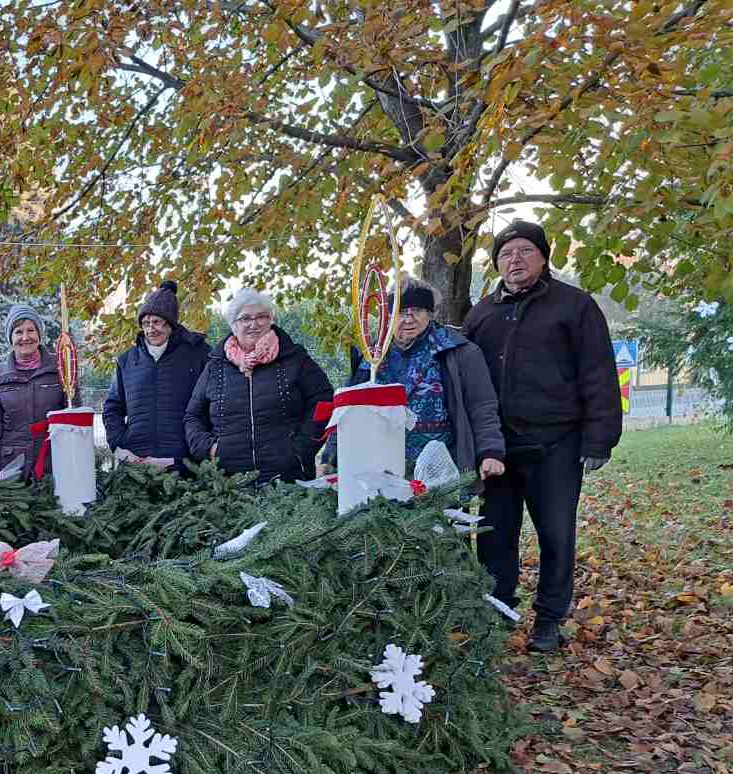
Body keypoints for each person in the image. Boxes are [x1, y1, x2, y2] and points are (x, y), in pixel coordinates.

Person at [464, 219, 623, 652]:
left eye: (524, 251)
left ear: (543, 256)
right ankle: (497, 611)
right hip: (498, 448)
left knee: (556, 533)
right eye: (505, 254)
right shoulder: (482, 314)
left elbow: (598, 374)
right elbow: (464, 380)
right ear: (497, 263)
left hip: (557, 444)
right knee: (495, 536)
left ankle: (549, 619)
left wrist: (599, 439)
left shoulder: (573, 307)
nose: (514, 260)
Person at [339, 280, 507, 479]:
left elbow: (482, 405)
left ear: (430, 313)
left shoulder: (458, 351)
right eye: (401, 312)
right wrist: (330, 457)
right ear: (389, 317)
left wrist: (490, 451)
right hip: (379, 466)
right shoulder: (370, 356)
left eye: (417, 310)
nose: (409, 319)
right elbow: (347, 409)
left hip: (441, 466)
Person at [184, 288, 332, 484]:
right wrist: (210, 450)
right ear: (234, 325)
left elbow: (324, 401)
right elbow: (192, 416)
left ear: (271, 320)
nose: (254, 324)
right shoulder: (215, 367)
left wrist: (302, 447)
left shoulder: (295, 359)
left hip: (288, 479)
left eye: (261, 317)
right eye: (245, 318)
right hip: (228, 483)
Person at [103, 281, 211, 473]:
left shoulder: (199, 355)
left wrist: (191, 452)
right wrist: (120, 445)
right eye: (146, 323)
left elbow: (210, 408)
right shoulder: (127, 361)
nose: (151, 329)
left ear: (171, 323)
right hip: (135, 465)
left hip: (184, 466)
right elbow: (113, 408)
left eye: (157, 322)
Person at [0, 303, 67, 478]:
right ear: (10, 337)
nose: (25, 337)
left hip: (52, 462)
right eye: (18, 332)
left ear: (39, 334)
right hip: (12, 466)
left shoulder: (59, 368)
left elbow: (73, 418)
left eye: (31, 330)